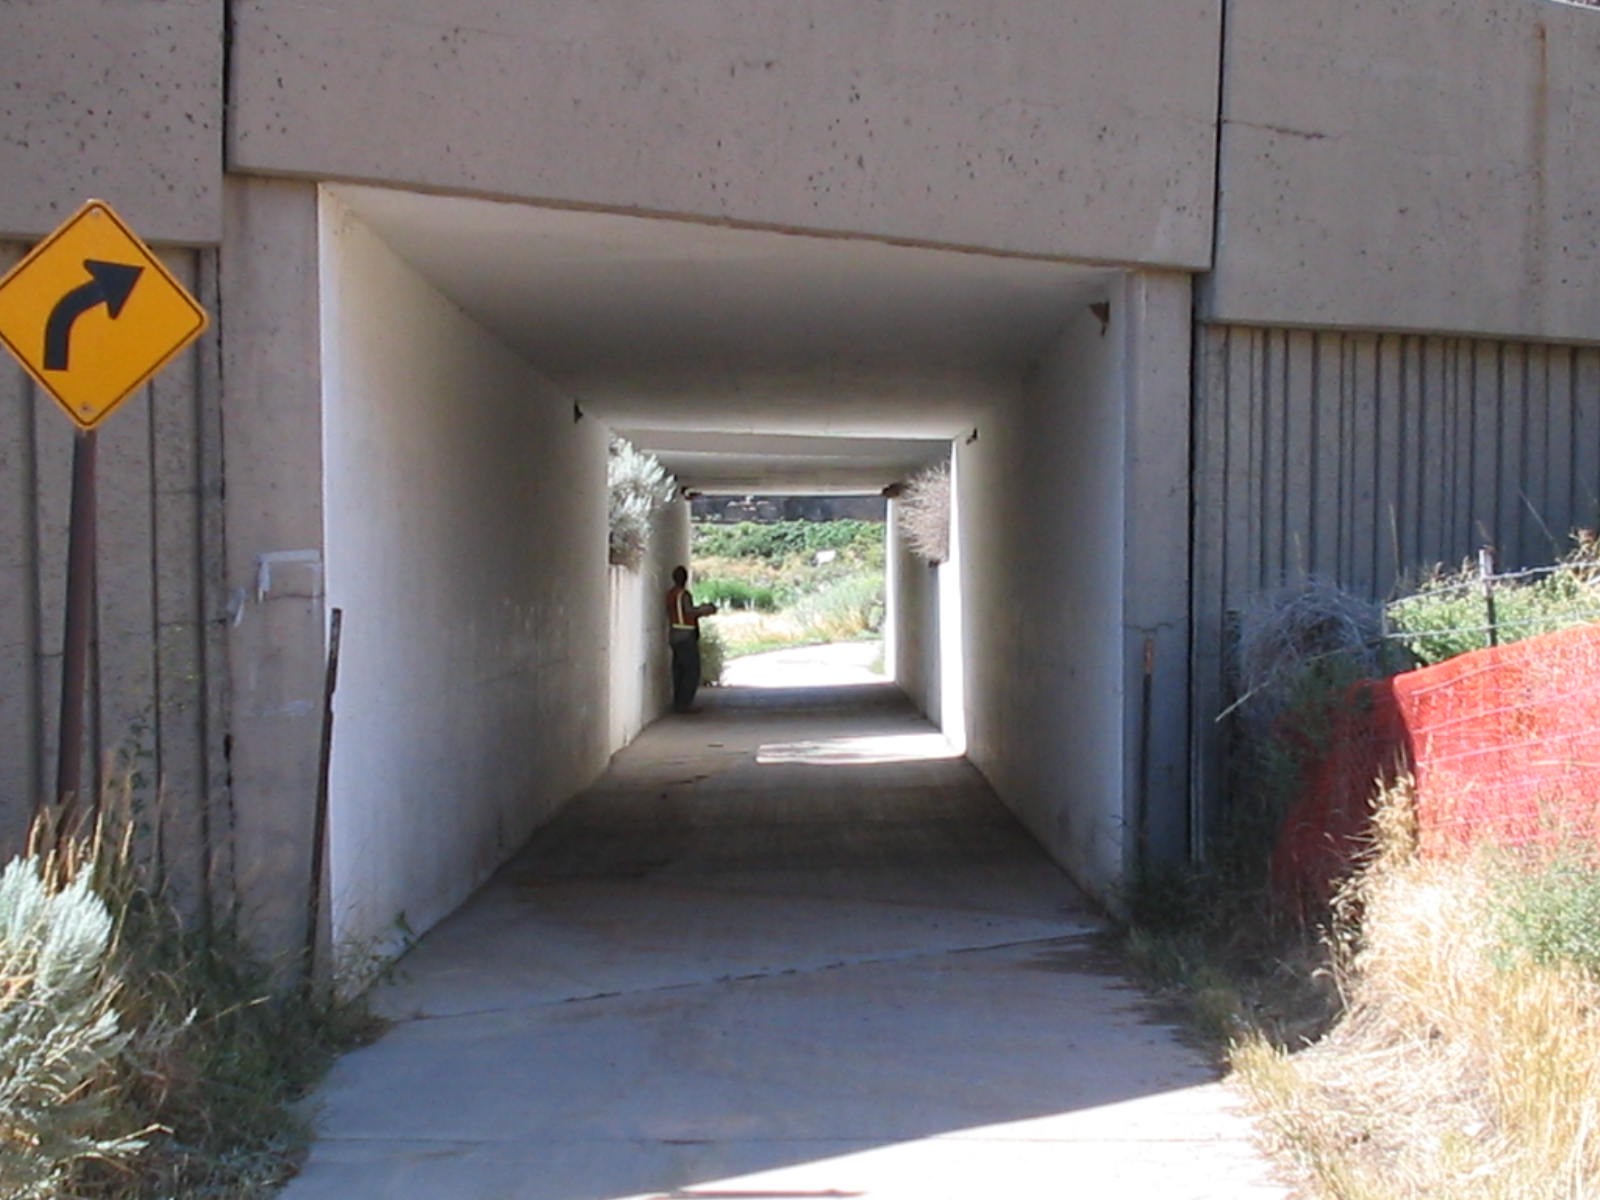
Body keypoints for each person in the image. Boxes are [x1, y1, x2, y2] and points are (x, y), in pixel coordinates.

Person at [665, 565, 718, 712]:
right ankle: (684, 704)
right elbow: (688, 611)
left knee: (678, 670)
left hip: (674, 634)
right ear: (685, 578)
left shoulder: (670, 594)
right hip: (686, 634)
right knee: (691, 671)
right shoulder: (684, 594)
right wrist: (704, 610)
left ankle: (678, 702)